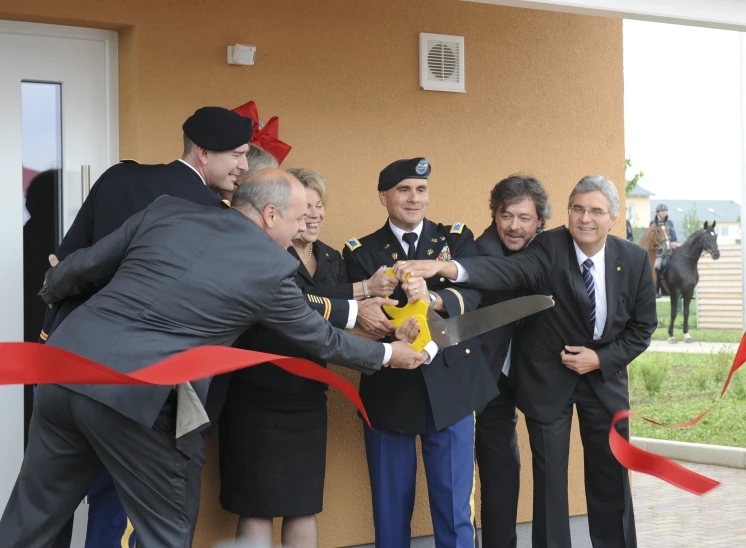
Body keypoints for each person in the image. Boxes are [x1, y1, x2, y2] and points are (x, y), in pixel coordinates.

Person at [0, 169, 426, 548]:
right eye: (298, 218)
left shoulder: (166, 212)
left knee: (32, 517)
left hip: (62, 371)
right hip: (136, 393)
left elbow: (81, 268)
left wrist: (51, 290)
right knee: (166, 528)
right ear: (271, 215)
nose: (301, 228)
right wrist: (389, 354)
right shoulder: (270, 267)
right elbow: (322, 340)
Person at [394, 175, 657, 548]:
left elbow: (643, 326)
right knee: (549, 482)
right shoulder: (547, 247)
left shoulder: (632, 259)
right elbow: (505, 271)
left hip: (604, 380)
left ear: (612, 217)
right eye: (578, 209)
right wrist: (445, 269)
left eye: (596, 211)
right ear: (567, 214)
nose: (585, 218)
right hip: (547, 383)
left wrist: (600, 358)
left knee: (610, 477)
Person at [38, 105, 252, 548]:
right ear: (204, 152)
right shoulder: (213, 213)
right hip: (139, 375)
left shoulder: (119, 177)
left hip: (68, 358)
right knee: (122, 497)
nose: (244, 168)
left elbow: (62, 264)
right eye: (237, 155)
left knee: (48, 495)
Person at [219, 168, 408, 547]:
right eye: (304, 206)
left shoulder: (330, 258)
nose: (313, 214)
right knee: (256, 507)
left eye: (319, 205)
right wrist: (382, 344)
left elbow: (339, 326)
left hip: (307, 398)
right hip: (255, 397)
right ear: (280, 212)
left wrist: (393, 332)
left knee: (304, 505)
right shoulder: (266, 254)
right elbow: (308, 315)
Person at [342, 157, 497, 548]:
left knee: (455, 509)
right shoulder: (360, 251)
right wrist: (392, 317)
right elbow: (360, 318)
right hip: (390, 386)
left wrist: (434, 298)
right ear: (384, 196)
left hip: (451, 384)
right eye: (404, 190)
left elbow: (474, 292)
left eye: (421, 189)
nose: (414, 198)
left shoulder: (456, 238)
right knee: (391, 509)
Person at [474, 175, 550, 548]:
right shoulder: (478, 253)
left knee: (508, 473)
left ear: (540, 222)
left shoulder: (547, 251)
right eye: (507, 216)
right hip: (479, 383)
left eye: (524, 218)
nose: (514, 226)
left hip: (521, 378)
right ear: (495, 214)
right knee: (482, 478)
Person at [650, 203, 678, 296]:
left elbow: (673, 237)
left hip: (671, 250)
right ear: (657, 212)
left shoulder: (670, 223)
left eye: (665, 211)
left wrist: (674, 242)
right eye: (662, 211)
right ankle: (657, 289)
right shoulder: (653, 224)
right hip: (660, 252)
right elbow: (653, 240)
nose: (664, 212)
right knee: (657, 266)